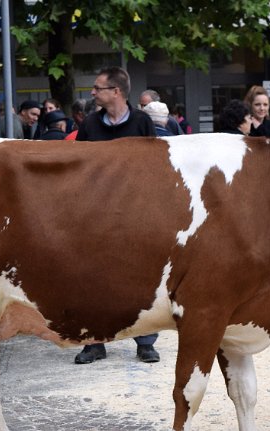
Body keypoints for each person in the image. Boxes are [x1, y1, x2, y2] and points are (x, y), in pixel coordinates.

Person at [74, 66, 160, 365]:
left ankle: (146, 341)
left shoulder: (142, 122)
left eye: (98, 88)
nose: (92, 92)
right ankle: (94, 342)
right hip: (96, 215)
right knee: (93, 280)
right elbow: (78, 169)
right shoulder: (89, 126)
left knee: (140, 278)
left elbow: (155, 167)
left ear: (116, 92)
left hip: (136, 215)